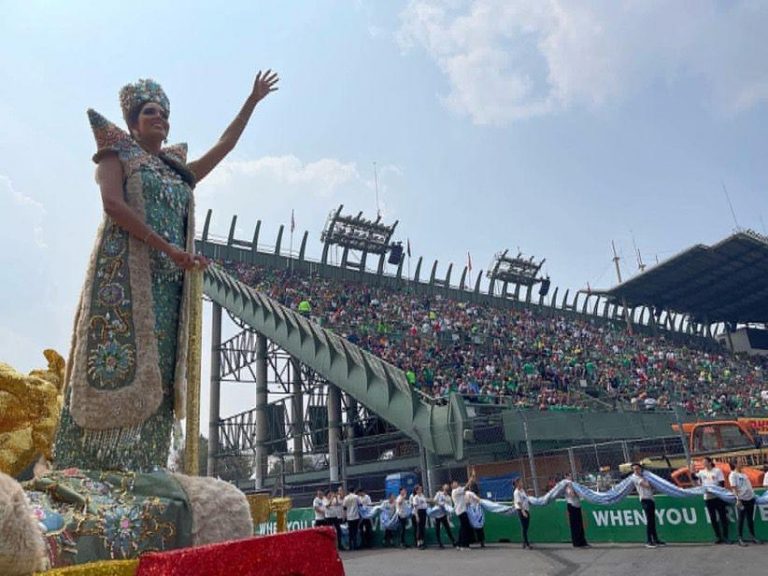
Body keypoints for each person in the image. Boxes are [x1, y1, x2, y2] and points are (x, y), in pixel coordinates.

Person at [54, 71, 278, 472]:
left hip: (169, 287)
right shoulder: (116, 154)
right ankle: (93, 468)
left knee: (160, 372)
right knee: (123, 361)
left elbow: (224, 146)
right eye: (152, 111)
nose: (162, 118)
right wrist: (169, 249)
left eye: (166, 114)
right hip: (127, 276)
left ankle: (146, 466)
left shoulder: (176, 171)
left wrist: (252, 101)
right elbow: (113, 205)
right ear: (133, 120)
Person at [695, 457, 730, 544]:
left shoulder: (717, 471)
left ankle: (726, 537)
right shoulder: (702, 472)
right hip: (708, 498)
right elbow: (694, 477)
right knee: (713, 518)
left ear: (710, 462)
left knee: (723, 517)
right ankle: (718, 537)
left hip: (718, 497)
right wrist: (691, 469)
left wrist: (716, 491)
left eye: (705, 462)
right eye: (703, 462)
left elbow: (722, 483)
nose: (704, 464)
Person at [630, 463, 665, 548]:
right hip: (645, 500)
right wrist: (649, 479)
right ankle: (649, 541)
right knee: (649, 521)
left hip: (651, 499)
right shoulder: (635, 477)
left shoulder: (644, 475)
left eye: (638, 469)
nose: (636, 471)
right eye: (634, 469)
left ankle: (656, 540)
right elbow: (647, 485)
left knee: (652, 520)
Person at [728, 460, 759, 546]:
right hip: (742, 500)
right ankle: (740, 539)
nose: (741, 463)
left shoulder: (744, 474)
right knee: (741, 519)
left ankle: (753, 537)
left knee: (750, 519)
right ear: (735, 464)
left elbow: (748, 486)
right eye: (739, 462)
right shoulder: (733, 475)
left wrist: (753, 495)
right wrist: (738, 499)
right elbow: (734, 488)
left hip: (750, 498)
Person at [564, 473, 589, 548]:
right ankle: (577, 542)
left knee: (580, 524)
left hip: (577, 505)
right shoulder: (567, 487)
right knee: (575, 525)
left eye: (570, 476)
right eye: (568, 477)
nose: (570, 478)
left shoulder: (575, 485)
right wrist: (571, 486)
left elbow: (580, 494)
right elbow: (571, 494)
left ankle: (582, 541)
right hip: (572, 505)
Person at [451, 477, 473, 549]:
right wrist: (469, 481)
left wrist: (470, 483)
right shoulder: (455, 491)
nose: (456, 483)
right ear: (452, 485)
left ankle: (459, 544)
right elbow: (465, 488)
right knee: (465, 528)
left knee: (463, 528)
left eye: (456, 482)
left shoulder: (458, 491)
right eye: (454, 482)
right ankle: (463, 545)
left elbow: (465, 490)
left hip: (462, 510)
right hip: (461, 511)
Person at [433, 483, 457, 549]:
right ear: (443, 488)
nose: (446, 489)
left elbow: (449, 507)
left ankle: (453, 542)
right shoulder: (439, 494)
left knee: (447, 528)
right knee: (437, 529)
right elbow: (434, 501)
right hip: (437, 514)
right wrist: (439, 504)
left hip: (444, 515)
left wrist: (446, 508)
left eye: (447, 488)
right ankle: (439, 543)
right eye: (445, 487)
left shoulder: (448, 498)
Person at [513, 478, 532, 549]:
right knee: (524, 527)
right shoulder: (516, 492)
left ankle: (524, 542)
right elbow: (518, 502)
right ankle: (527, 543)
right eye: (521, 482)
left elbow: (525, 498)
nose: (522, 483)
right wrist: (523, 511)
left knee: (526, 527)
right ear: (517, 483)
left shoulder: (522, 490)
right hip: (521, 510)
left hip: (526, 509)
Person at [411, 484, 428, 549]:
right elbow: (415, 508)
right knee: (419, 528)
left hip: (423, 512)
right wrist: (417, 516)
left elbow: (425, 502)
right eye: (419, 489)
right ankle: (419, 543)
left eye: (421, 489)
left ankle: (422, 542)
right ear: (416, 490)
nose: (421, 490)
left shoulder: (422, 496)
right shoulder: (415, 497)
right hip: (419, 512)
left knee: (422, 527)